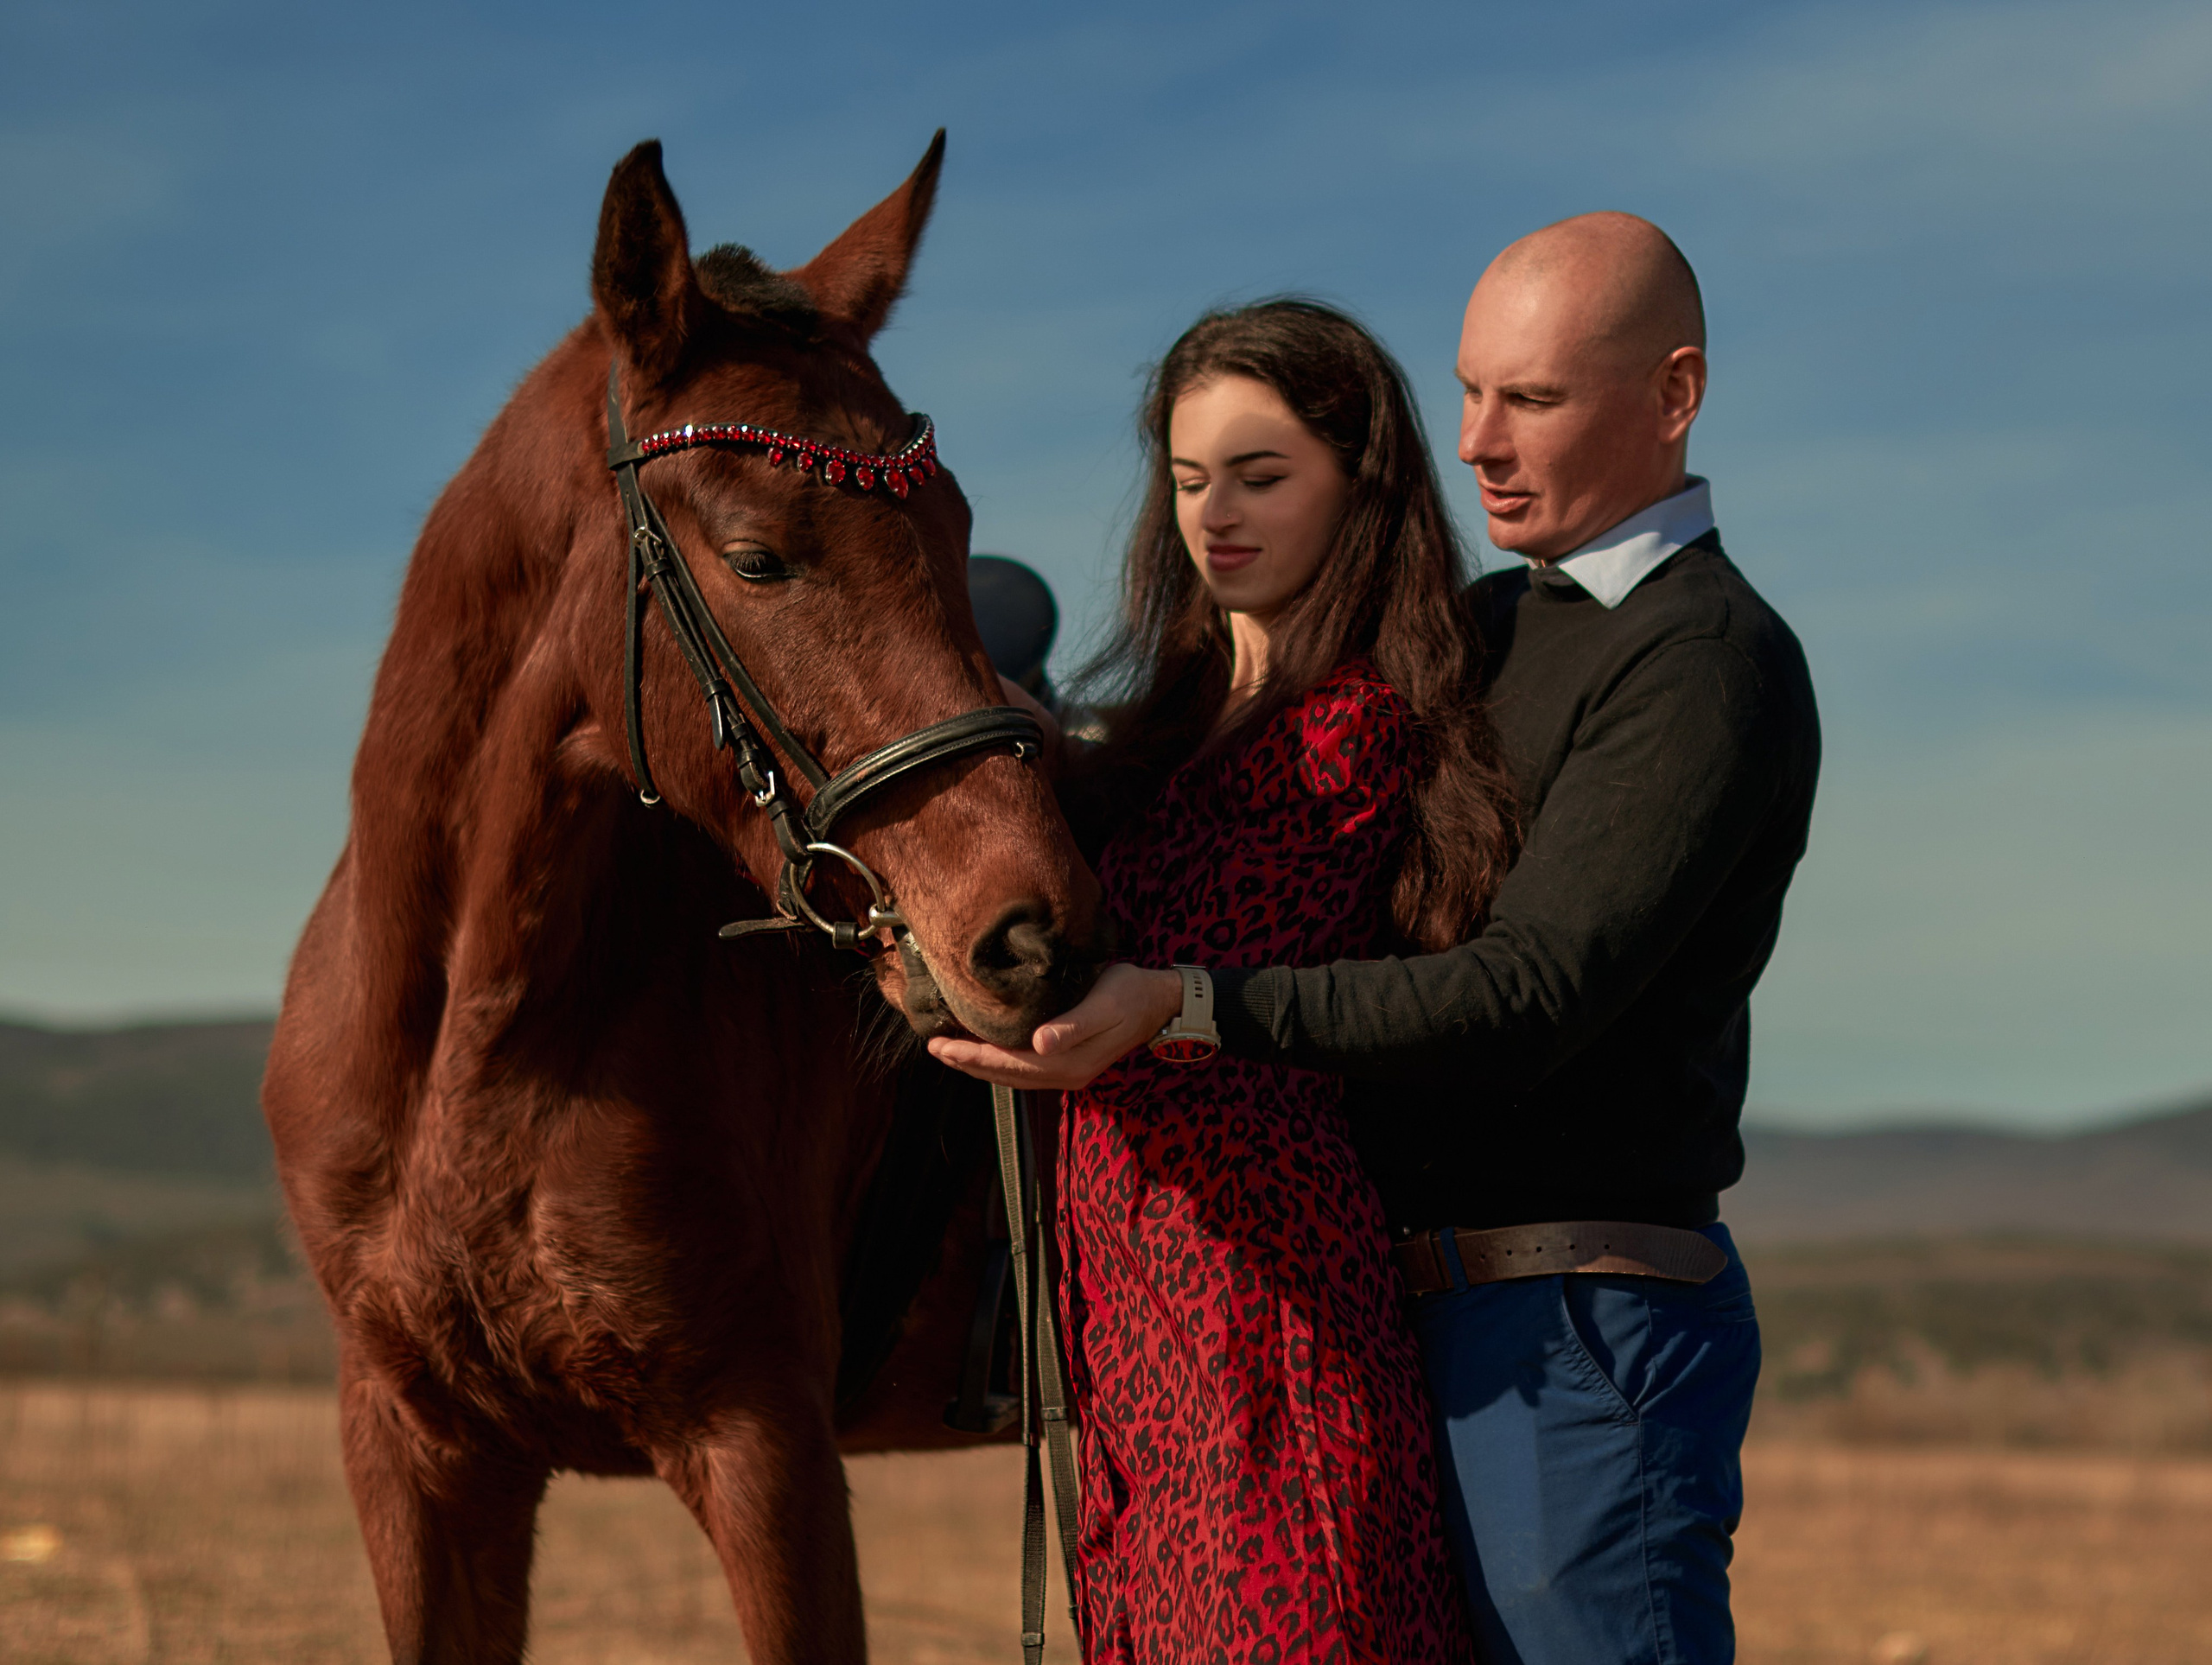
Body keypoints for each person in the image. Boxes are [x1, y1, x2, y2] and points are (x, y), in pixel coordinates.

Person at [936, 214, 1821, 1664]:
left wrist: (1188, 1006)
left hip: (1578, 1320)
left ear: (1674, 395)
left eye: (1531, 399)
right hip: (1415, 1304)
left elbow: (1532, 993)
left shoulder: (1704, 659)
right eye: (1470, 392)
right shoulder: (1482, 632)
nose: (1476, 440)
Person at [1036, 299, 1514, 1663]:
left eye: (1260, 476)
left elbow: (1194, 950)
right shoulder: (1162, 732)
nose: (1214, 516)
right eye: (1189, 481)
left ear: (1357, 483)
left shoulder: (1355, 731)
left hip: (1265, 1301)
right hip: (1129, 1314)